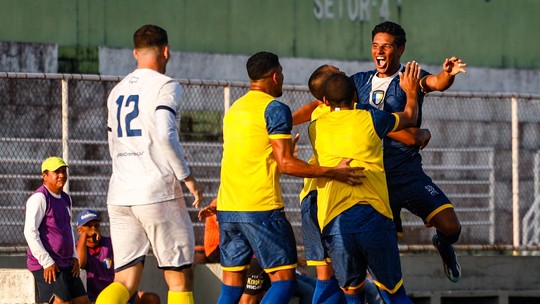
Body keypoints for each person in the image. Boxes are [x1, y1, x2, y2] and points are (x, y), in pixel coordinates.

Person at [215, 51, 364, 304]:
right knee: (284, 281)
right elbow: (286, 164)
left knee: (231, 286)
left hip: (227, 207)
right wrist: (333, 171)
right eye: (281, 74)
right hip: (260, 208)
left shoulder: (234, 109)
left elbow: (242, 157)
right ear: (275, 76)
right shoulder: (274, 108)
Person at [350, 21, 467, 283]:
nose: (380, 51)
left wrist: (448, 74)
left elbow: (436, 82)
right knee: (384, 248)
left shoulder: (410, 77)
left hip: (408, 173)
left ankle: (444, 245)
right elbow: (327, 98)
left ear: (400, 49)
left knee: (451, 227)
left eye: (387, 46)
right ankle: (381, 291)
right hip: (374, 178)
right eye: (375, 46)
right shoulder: (358, 82)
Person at [97, 24, 203, 304]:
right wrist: (187, 177)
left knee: (125, 281)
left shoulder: (116, 91)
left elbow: (112, 142)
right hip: (157, 192)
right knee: (179, 278)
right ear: (166, 51)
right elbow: (166, 133)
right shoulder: (166, 86)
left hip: (120, 193)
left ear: (135, 53)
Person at [310, 67, 420, 303]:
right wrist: (411, 92)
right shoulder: (372, 118)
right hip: (374, 216)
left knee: (352, 296)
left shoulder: (314, 128)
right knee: (394, 295)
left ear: (325, 101)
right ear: (356, 97)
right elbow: (410, 116)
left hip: (335, 221)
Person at [23, 156, 90, 304]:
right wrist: (46, 262)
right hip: (48, 264)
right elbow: (30, 232)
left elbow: (67, 228)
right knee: (61, 302)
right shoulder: (40, 198)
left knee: (83, 301)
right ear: (44, 175)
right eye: (56, 172)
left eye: (63, 171)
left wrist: (74, 255)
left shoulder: (66, 198)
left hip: (65, 262)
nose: (61, 175)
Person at [75, 209, 160, 304]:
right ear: (79, 230)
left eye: (96, 226)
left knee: (152, 299)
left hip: (116, 291)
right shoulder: (77, 248)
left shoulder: (109, 243)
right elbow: (80, 264)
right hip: (94, 298)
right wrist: (84, 236)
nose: (93, 230)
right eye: (89, 226)